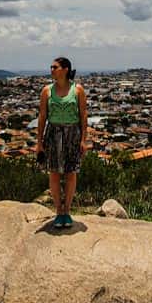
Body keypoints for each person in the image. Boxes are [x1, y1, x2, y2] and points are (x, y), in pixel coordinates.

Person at [36, 56, 88, 228]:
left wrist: (83, 139)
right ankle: (59, 211)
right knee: (54, 173)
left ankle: (68, 210)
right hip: (53, 133)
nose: (51, 70)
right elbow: (42, 117)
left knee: (71, 173)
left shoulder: (78, 90)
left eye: (55, 67)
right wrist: (39, 142)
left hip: (73, 133)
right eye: (51, 67)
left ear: (65, 69)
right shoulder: (46, 91)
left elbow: (83, 115)